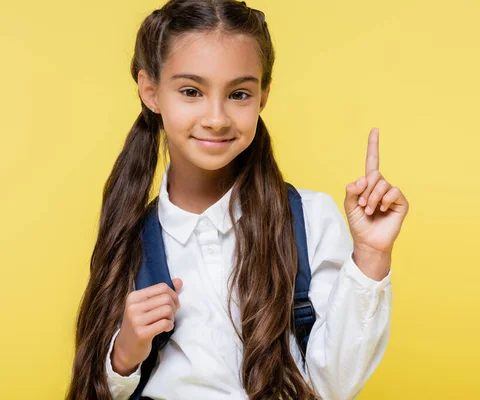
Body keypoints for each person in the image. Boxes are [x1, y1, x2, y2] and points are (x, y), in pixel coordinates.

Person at [67, 0, 409, 399]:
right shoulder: (130, 238)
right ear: (151, 92)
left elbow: (333, 387)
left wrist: (370, 256)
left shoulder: (310, 219)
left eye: (239, 94)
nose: (216, 118)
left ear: (263, 96)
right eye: (191, 91)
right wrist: (123, 356)